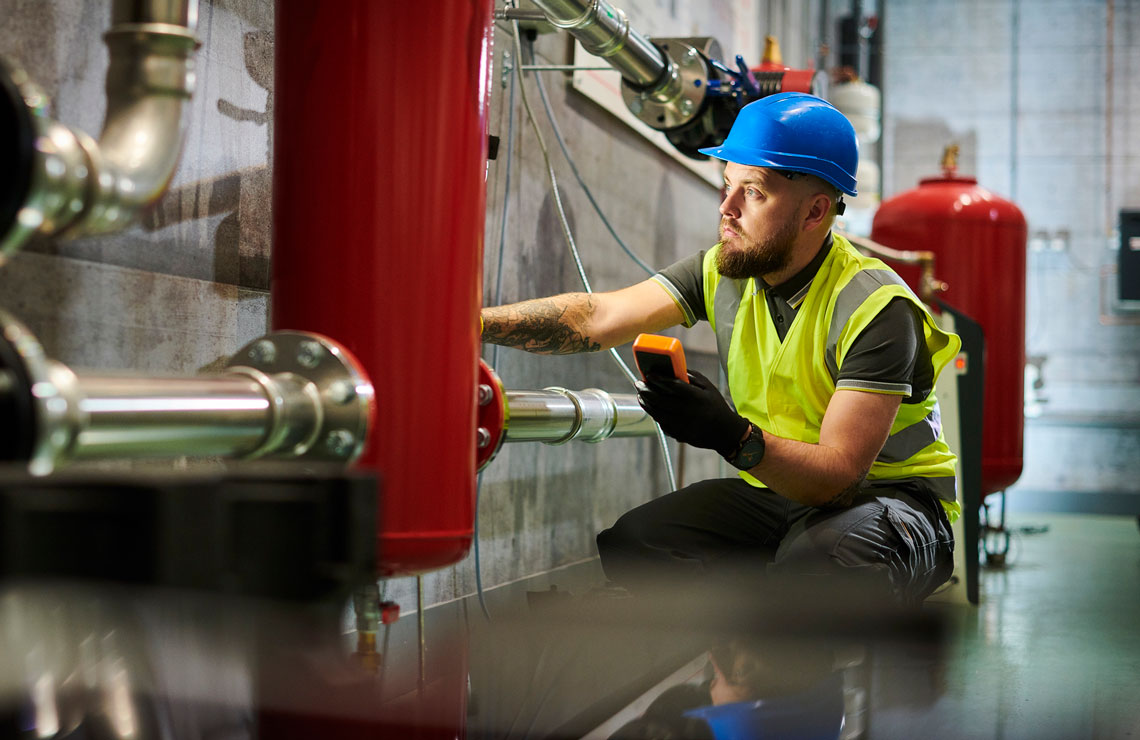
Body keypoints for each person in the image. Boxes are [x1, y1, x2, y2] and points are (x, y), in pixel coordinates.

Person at [481, 92, 959, 605]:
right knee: (639, 546)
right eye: (727, 185)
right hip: (784, 494)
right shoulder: (726, 271)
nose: (726, 210)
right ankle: (746, 651)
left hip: (892, 503)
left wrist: (731, 435)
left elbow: (838, 482)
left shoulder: (875, 307)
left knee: (824, 565)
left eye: (751, 192)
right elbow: (599, 317)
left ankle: (794, 659)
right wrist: (471, 325)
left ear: (815, 212)